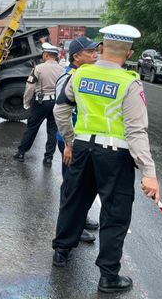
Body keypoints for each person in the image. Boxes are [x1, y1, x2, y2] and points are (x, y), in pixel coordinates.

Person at [51, 24, 160, 293]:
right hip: (115, 156)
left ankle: (61, 252)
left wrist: (70, 140)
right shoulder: (129, 83)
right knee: (115, 213)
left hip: (83, 149)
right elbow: (136, 131)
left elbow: (60, 110)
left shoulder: (80, 75)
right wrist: (148, 172)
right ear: (130, 52)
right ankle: (108, 276)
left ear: (101, 49)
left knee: (74, 200)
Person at [54, 37, 100, 244]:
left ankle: (79, 218)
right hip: (69, 139)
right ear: (77, 57)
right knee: (71, 185)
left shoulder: (85, 75)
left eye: (95, 51)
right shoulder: (69, 77)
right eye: (90, 52)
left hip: (80, 139)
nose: (95, 55)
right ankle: (72, 226)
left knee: (80, 184)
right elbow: (61, 111)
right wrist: (69, 143)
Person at [13, 42, 64, 166]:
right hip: (56, 103)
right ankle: (48, 159)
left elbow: (30, 87)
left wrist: (26, 102)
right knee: (52, 131)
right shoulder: (62, 70)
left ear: (46, 55)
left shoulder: (38, 68)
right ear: (55, 56)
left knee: (32, 128)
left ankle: (21, 153)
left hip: (40, 102)